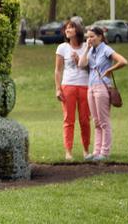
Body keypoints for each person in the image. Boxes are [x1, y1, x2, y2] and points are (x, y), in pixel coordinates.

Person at [79, 25, 128, 161]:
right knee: (96, 121)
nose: (89, 39)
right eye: (88, 37)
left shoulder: (106, 49)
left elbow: (123, 61)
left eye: (92, 36)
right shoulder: (91, 50)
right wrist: (87, 48)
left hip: (102, 86)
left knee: (104, 121)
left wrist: (110, 70)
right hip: (91, 87)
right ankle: (96, 152)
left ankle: (105, 152)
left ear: (100, 37)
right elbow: (81, 64)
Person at [54, 20, 91, 161]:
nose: (67, 30)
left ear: (77, 31)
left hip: (85, 86)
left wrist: (78, 61)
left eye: (71, 28)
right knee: (69, 120)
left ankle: (86, 151)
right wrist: (58, 89)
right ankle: (68, 152)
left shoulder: (86, 47)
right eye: (66, 28)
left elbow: (91, 68)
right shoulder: (62, 48)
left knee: (85, 120)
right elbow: (57, 70)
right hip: (68, 86)